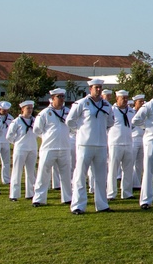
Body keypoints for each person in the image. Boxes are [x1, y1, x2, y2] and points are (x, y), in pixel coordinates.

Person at [66, 79, 115, 214]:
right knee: (80, 176)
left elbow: (110, 122)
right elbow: (70, 120)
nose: (98, 90)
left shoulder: (107, 105)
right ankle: (78, 206)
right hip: (84, 144)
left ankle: (102, 205)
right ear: (90, 89)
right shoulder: (81, 103)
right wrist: (80, 131)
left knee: (100, 177)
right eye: (96, 88)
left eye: (100, 87)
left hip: (100, 144)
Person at [32, 88, 73, 206]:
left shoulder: (68, 112)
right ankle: (39, 198)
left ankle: (67, 198)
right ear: (53, 98)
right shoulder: (45, 113)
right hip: (49, 148)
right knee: (43, 174)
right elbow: (37, 129)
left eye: (63, 97)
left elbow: (73, 126)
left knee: (66, 174)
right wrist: (47, 137)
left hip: (64, 147)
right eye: (59, 97)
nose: (61, 99)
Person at [6, 100, 38, 201]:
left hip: (32, 147)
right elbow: (9, 136)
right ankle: (14, 194)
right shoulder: (17, 121)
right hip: (20, 148)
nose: (30, 110)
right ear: (22, 109)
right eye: (28, 108)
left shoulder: (35, 120)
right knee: (17, 171)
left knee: (31, 172)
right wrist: (17, 142)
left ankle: (30, 193)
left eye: (31, 108)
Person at [107, 90, 135, 201]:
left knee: (128, 169)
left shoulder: (131, 111)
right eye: (122, 98)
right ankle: (111, 193)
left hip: (128, 143)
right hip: (115, 143)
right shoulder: (112, 111)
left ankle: (127, 192)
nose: (125, 100)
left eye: (126, 98)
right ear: (117, 98)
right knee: (113, 169)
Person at [131, 94, 146, 190]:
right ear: (135, 102)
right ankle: (130, 182)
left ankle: (137, 183)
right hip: (133, 138)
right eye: (140, 101)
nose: (142, 103)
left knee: (139, 163)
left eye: (143, 101)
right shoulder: (131, 112)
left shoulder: (144, 113)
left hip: (143, 138)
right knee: (131, 162)